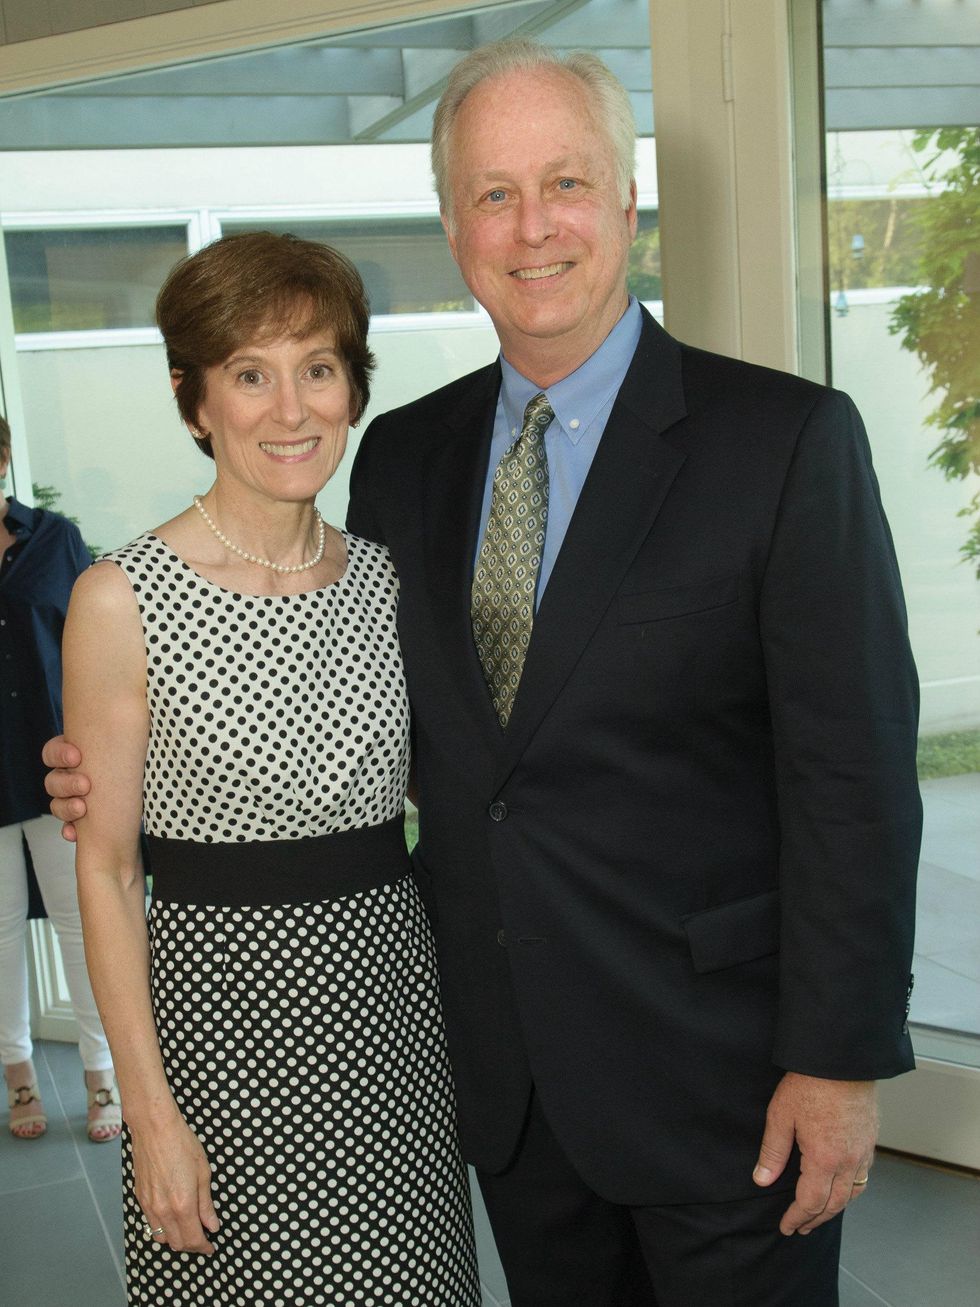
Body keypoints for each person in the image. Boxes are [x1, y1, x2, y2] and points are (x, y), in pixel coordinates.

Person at [46, 40, 921, 1307]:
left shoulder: (782, 441)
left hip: (723, 1088)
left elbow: (854, 774)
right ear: (454, 227)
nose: (531, 228)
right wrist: (112, 765)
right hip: (494, 1085)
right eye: (493, 194)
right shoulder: (404, 458)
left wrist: (837, 1061)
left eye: (562, 183)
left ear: (624, 202)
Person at [57, 232, 480, 1306]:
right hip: (218, 1040)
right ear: (193, 399)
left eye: (318, 368)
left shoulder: (390, 581)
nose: (289, 408)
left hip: (391, 1026)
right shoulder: (120, 596)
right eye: (250, 372)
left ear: (350, 390)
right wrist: (150, 1115)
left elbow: (469, 779)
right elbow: (105, 872)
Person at [0, 416, 120, 1143]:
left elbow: (97, 643)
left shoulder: (55, 540)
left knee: (84, 924)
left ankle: (101, 1076)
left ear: (4, 455)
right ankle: (18, 1075)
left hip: (55, 766)